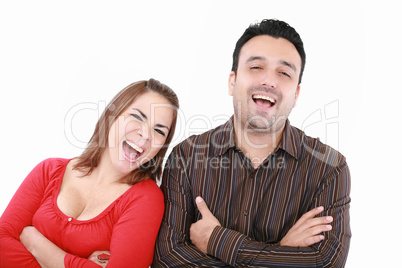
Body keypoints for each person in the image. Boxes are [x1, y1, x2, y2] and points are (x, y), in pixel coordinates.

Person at [152, 19, 351, 267]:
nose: (269, 80)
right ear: (232, 81)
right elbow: (167, 259)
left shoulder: (329, 168)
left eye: (284, 73)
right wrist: (281, 253)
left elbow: (324, 263)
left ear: (296, 94)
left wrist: (217, 240)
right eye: (256, 67)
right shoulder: (186, 157)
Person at [0, 78, 179, 267]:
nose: (146, 134)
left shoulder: (146, 198)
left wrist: (34, 242)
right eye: (138, 117)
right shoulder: (49, 170)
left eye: (159, 131)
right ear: (113, 115)